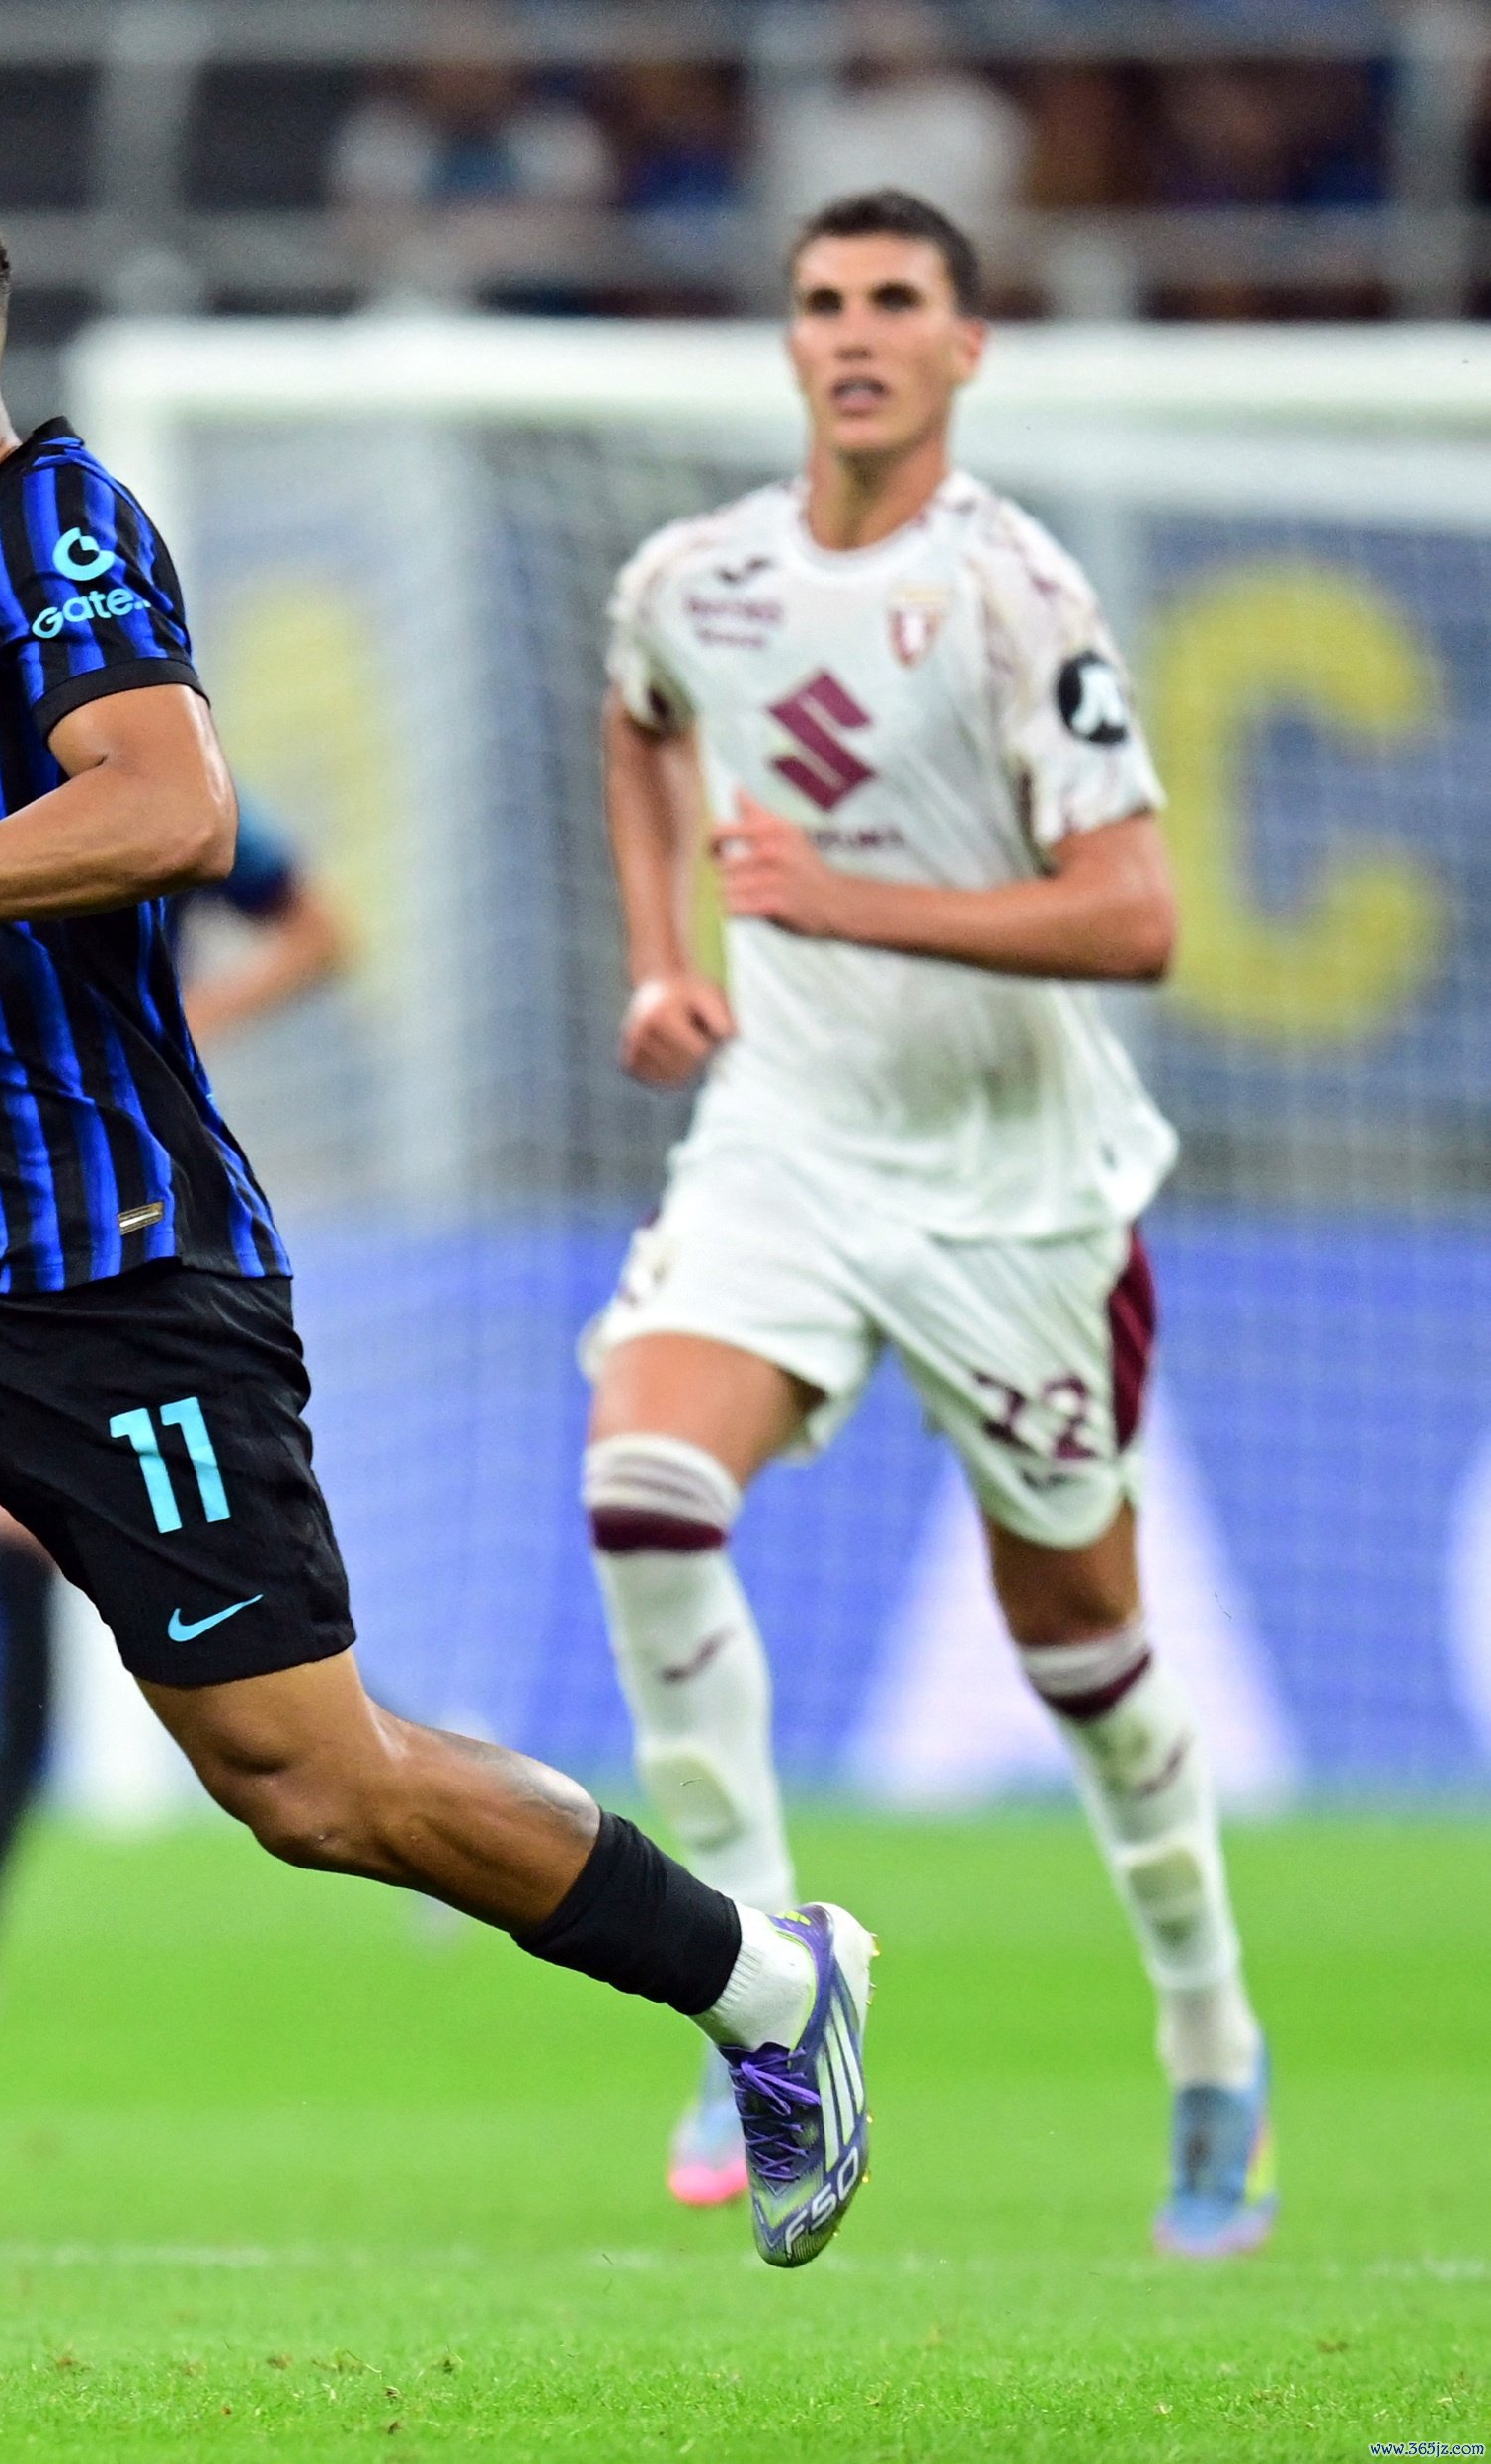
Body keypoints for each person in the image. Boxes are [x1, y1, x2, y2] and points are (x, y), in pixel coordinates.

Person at [0, 161, 882, 2370]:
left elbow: (168, 808)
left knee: (314, 1785)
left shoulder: (53, 529)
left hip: (116, 1286)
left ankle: (762, 1979)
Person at [587, 190, 1271, 2260]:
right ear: (788, 342)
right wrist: (660, 953)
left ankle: (1207, 2022)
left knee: (1087, 1659)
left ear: (965, 348)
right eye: (821, 302)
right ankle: (755, 1998)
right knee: (639, 1494)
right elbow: (637, 719)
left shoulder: (1013, 596)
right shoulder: (690, 577)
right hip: (785, 1140)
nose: (855, 331)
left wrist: (839, 900)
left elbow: (1136, 914)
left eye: (896, 301)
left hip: (1013, 1189)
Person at [0, 816, 351, 2021]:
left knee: (216, 1640)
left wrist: (192, 1020)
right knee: (113, 1579)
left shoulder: (163, 799)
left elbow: (316, 929)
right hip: (2, 1234)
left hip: (127, 1239)